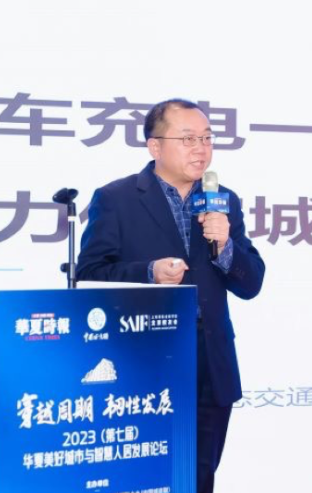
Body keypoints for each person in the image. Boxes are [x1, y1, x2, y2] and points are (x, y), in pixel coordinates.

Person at [77, 98, 265, 493]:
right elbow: (89, 274)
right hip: (141, 365)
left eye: (207, 138)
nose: (201, 149)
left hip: (210, 366)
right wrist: (148, 274)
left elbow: (251, 284)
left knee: (198, 478)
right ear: (155, 146)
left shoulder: (223, 200)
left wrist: (225, 245)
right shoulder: (116, 198)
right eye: (188, 139)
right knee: (142, 479)